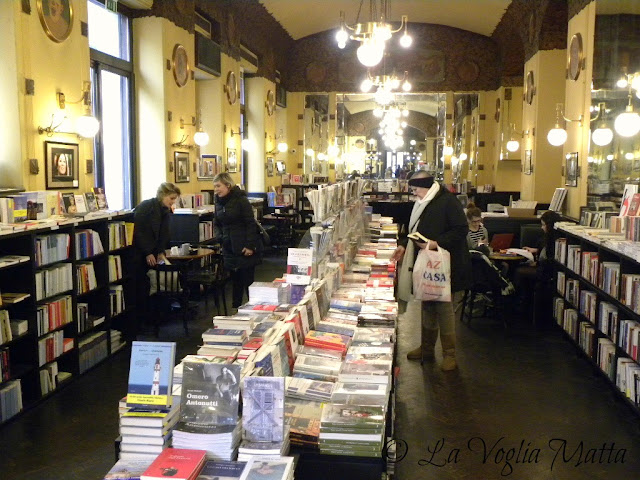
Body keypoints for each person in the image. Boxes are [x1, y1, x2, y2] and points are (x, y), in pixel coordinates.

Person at [393, 170, 471, 370]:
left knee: (444, 308)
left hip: (447, 264)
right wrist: (404, 244)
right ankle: (427, 348)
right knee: (427, 303)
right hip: (427, 262)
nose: (415, 193)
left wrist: (437, 243)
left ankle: (449, 354)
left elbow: (461, 229)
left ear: (427, 186)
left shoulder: (448, 201)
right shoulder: (422, 203)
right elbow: (413, 229)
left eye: (416, 189)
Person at [133, 182, 181, 337]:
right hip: (140, 254)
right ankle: (143, 322)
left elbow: (164, 234)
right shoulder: (146, 207)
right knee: (142, 288)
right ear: (163, 195)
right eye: (171, 198)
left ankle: (158, 317)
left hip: (155, 253)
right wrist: (148, 252)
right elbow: (139, 231)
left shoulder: (165, 211)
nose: (173, 201)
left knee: (156, 285)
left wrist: (160, 252)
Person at [213, 173, 262, 309]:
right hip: (228, 248)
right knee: (235, 282)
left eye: (218, 186)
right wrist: (220, 238)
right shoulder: (217, 201)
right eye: (214, 186)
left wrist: (250, 246)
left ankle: (255, 310)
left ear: (228, 186)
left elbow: (250, 224)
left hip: (244, 247)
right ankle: (237, 312)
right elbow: (216, 223)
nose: (216, 189)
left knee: (248, 282)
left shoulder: (241, 200)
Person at [514, 210, 561, 327]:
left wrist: (537, 262)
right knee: (521, 271)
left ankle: (521, 305)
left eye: (543, 224)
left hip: (545, 271)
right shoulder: (547, 238)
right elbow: (543, 253)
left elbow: (549, 259)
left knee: (519, 273)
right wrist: (534, 251)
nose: (542, 227)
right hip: (542, 267)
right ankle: (523, 303)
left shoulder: (553, 240)